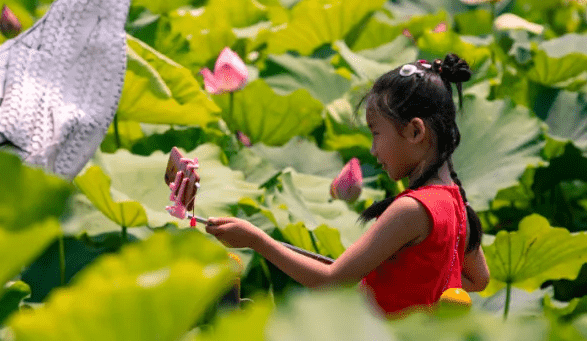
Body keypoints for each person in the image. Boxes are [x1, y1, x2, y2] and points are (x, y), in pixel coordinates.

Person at [205, 53, 491, 317]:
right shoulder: (457, 206)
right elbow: (478, 280)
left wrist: (257, 241)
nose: (373, 150)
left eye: (376, 134)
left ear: (415, 131)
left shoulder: (410, 210)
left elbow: (332, 282)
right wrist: (417, 284)